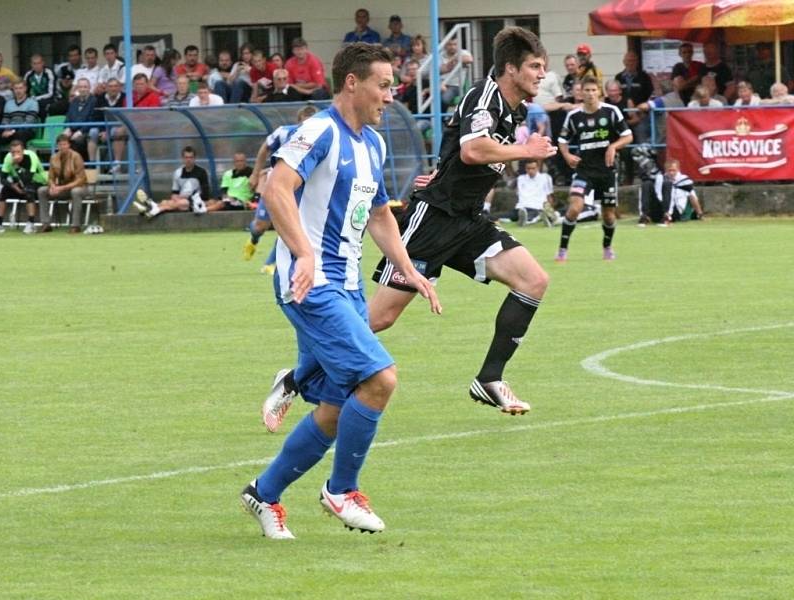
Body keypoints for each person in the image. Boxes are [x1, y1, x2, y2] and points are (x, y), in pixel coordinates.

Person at [263, 26, 558, 435]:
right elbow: (473, 149)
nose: (541, 75)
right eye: (535, 66)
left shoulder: (514, 109)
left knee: (534, 280)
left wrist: (446, 170)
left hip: (469, 220)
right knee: (377, 320)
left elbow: (458, 149)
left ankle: (489, 379)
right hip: (434, 221)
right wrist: (526, 150)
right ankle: (294, 378)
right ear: (510, 68)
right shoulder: (484, 96)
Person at [239, 42, 440, 541]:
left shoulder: (373, 143)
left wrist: (408, 269)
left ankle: (263, 493)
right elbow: (275, 188)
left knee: (334, 409)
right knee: (380, 379)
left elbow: (377, 215)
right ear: (353, 82)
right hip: (311, 285)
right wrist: (304, 253)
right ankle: (342, 490)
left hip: (347, 286)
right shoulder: (319, 130)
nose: (390, 96)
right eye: (384, 84)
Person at [555, 75, 633, 262]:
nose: (590, 94)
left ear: (599, 92)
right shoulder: (574, 116)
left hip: (606, 171)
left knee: (608, 215)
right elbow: (562, 140)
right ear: (581, 93)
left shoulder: (611, 112)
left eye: (593, 90)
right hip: (584, 171)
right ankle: (562, 250)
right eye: (586, 90)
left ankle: (607, 246)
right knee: (575, 208)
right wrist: (566, 155)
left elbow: (628, 136)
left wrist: (613, 146)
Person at [243, 104, 319, 273]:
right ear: (298, 123)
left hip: (300, 191)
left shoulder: (322, 138)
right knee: (260, 225)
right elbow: (265, 148)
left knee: (290, 225)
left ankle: (271, 263)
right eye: (305, 124)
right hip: (275, 187)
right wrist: (256, 174)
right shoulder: (284, 132)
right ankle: (254, 238)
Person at [132, 146, 210, 217]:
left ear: (194, 158)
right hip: (180, 202)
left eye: (191, 157)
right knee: (165, 202)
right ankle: (152, 209)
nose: (188, 160)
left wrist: (186, 198)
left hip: (196, 203)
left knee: (183, 202)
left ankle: (153, 207)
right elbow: (174, 194)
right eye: (186, 157)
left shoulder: (201, 172)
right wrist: (178, 198)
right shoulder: (177, 172)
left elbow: (205, 195)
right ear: (182, 158)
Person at [0, 139, 47, 234]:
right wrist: (14, 187)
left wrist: (17, 164)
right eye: (13, 152)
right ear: (10, 152)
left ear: (23, 151)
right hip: (19, 183)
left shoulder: (31, 156)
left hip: (37, 181)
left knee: (28, 190)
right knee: (2, 191)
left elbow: (28, 178)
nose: (15, 154)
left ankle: (31, 224)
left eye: (18, 152)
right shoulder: (8, 158)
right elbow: (2, 178)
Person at [37, 134, 88, 233]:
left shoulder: (76, 156)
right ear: (57, 146)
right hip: (62, 189)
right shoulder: (54, 158)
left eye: (64, 144)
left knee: (76, 191)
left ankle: (75, 225)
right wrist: (52, 186)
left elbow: (80, 180)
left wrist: (61, 188)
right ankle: (46, 224)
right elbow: (50, 177)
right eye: (60, 145)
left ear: (69, 145)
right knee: (42, 190)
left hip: (80, 188)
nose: (62, 147)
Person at [653, 158, 703, 224]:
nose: (671, 173)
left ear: (678, 169)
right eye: (669, 171)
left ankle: (667, 215)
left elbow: (692, 197)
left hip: (676, 209)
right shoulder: (661, 178)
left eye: (674, 170)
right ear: (665, 170)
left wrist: (700, 214)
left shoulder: (684, 180)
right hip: (662, 206)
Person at [513, 159, 556, 226]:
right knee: (505, 216)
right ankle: (525, 219)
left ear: (538, 168)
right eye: (528, 168)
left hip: (537, 207)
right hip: (521, 207)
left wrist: (549, 209)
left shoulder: (545, 177)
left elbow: (549, 196)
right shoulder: (520, 178)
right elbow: (519, 195)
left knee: (532, 216)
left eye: (533, 168)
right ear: (525, 169)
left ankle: (530, 219)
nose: (530, 171)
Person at [63, 78, 98, 161]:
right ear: (77, 89)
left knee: (78, 141)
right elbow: (68, 116)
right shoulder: (74, 101)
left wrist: (81, 131)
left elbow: (92, 119)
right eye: (80, 87)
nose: (83, 89)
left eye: (85, 87)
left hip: (86, 131)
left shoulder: (94, 101)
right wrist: (67, 128)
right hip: (73, 129)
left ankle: (81, 165)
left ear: (89, 88)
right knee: (62, 138)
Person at [0, 79, 39, 146]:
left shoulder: (33, 103)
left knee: (20, 134)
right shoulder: (8, 103)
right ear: (13, 90)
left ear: (25, 89)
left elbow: (29, 122)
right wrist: (6, 130)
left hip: (27, 130)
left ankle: (21, 155)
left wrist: (13, 131)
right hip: (11, 131)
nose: (18, 91)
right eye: (16, 88)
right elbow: (5, 120)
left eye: (20, 88)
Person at [439, 37, 474, 108]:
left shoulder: (463, 52)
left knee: (444, 98)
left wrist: (454, 58)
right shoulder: (441, 55)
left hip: (455, 86)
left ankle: (443, 118)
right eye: (449, 44)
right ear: (445, 45)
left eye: (455, 44)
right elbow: (439, 70)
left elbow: (469, 59)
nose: (452, 47)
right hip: (440, 84)